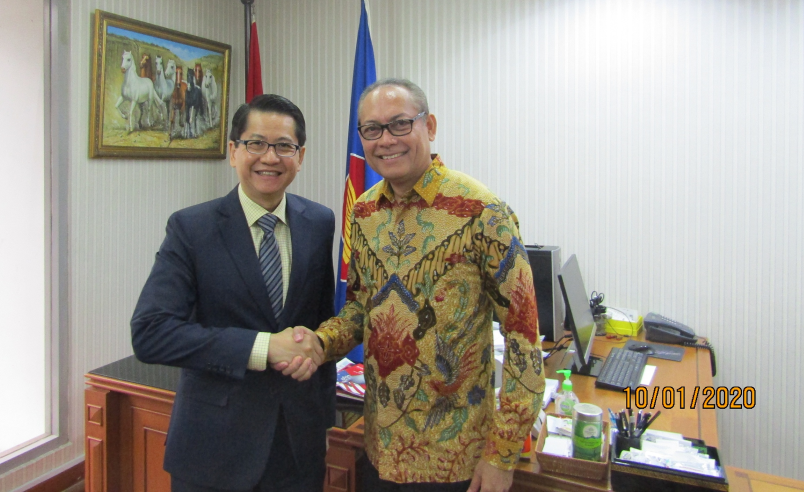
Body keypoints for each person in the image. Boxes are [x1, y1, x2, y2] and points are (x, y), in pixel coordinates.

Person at [293, 79, 545, 492]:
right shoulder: (364, 212)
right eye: (372, 129)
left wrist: (502, 454)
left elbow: (524, 339)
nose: (385, 140)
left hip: (455, 462)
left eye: (399, 124)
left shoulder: (482, 212)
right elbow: (360, 310)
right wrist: (320, 342)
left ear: (429, 126)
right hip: (379, 451)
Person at [131, 94, 336, 492]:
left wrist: (323, 422)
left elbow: (321, 320)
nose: (270, 158)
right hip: (213, 452)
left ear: (300, 156)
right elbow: (150, 332)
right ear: (233, 151)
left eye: (284, 146)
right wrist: (263, 347)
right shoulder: (191, 228)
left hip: (298, 450)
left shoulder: (319, 221)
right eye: (256, 143)